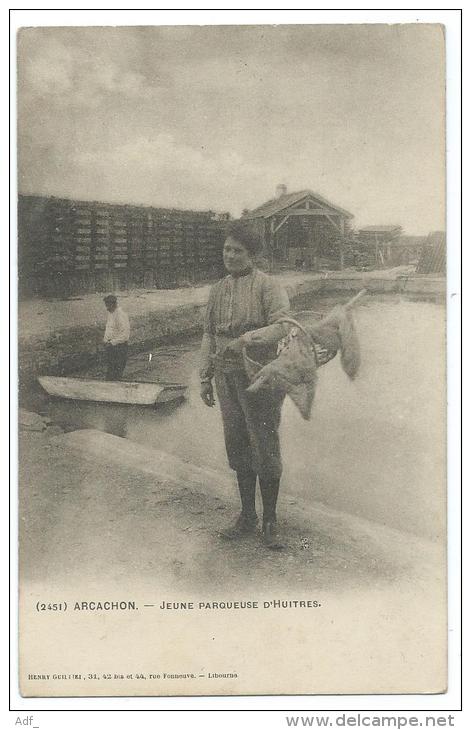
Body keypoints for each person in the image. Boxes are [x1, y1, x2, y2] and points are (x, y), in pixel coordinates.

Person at [199, 223, 291, 549]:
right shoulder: (218, 290)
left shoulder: (268, 286)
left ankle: (270, 520)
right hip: (226, 376)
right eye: (227, 249)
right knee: (237, 444)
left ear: (252, 254)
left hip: (260, 377)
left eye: (238, 250)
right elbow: (209, 334)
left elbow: (283, 326)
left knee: (263, 444)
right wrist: (204, 375)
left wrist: (247, 339)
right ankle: (247, 515)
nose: (230, 255)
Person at [103, 294, 130, 381]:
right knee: (111, 372)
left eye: (108, 305)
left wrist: (111, 343)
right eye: (106, 305)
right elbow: (110, 329)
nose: (107, 308)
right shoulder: (111, 314)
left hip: (119, 348)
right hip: (111, 348)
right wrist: (105, 340)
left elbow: (125, 335)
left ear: (113, 304)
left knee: (116, 373)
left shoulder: (120, 315)